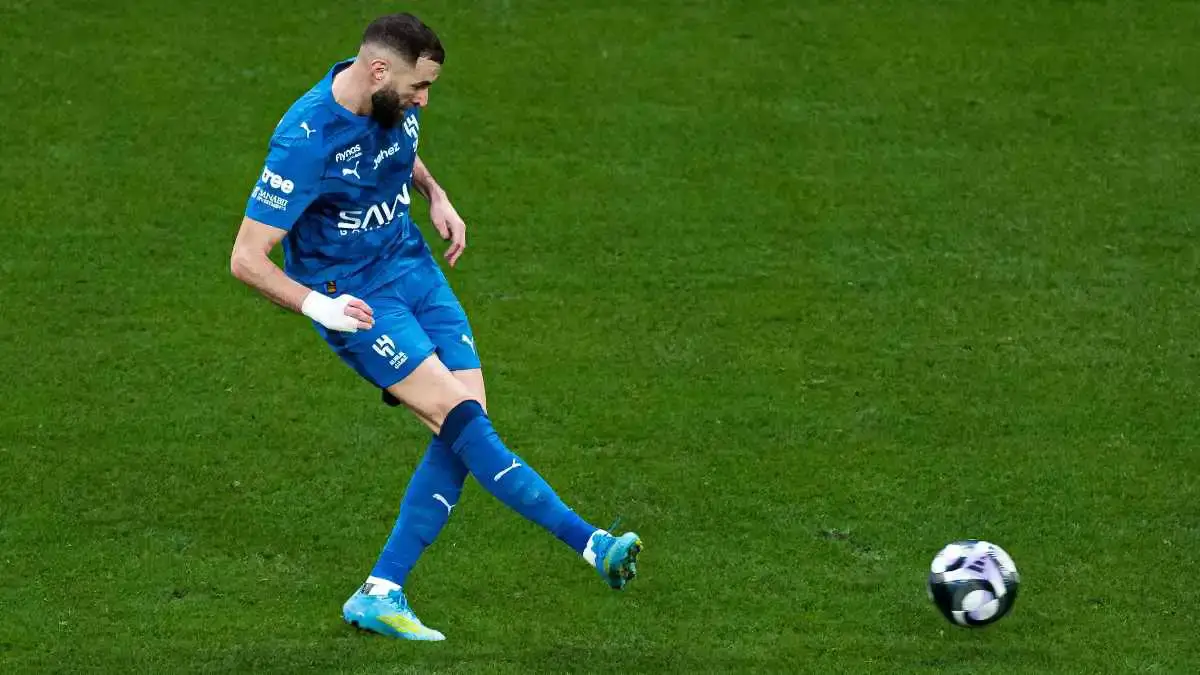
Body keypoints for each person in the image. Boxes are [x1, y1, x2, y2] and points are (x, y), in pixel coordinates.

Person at [229, 13, 642, 641]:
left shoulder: (390, 102)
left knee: (467, 425)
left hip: (413, 268)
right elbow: (246, 258)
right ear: (378, 71)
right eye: (418, 88)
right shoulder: (305, 138)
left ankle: (380, 590)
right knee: (461, 421)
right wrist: (318, 307)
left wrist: (435, 195)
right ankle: (592, 544)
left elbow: (399, 152)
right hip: (356, 298)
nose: (424, 100)